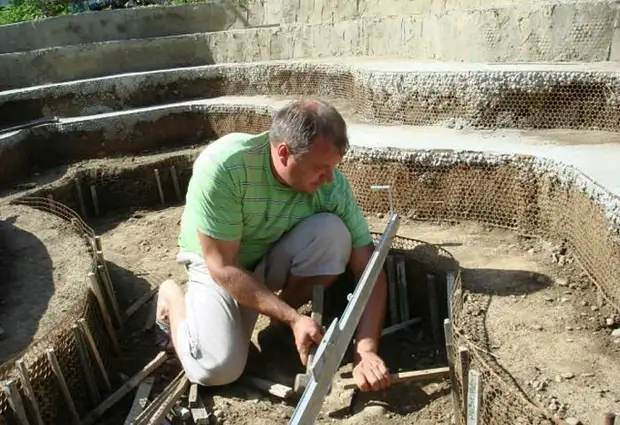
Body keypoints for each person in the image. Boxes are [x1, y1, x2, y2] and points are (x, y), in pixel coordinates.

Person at [155, 99, 391, 393]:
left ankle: (277, 327)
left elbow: (370, 270)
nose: (330, 178)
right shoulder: (226, 167)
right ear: (283, 153)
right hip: (218, 264)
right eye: (320, 167)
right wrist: (294, 318)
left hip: (267, 255)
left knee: (333, 234)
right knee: (216, 370)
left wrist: (365, 350)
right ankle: (172, 299)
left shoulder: (333, 185)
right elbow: (223, 266)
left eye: (333, 167)